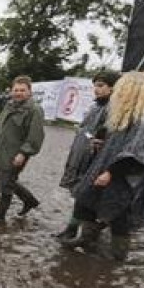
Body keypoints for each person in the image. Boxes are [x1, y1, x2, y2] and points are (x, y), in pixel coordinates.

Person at [62, 71, 144, 261]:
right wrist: (101, 143)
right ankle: (86, 239)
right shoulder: (126, 113)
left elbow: (141, 150)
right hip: (107, 166)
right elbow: (116, 139)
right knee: (86, 198)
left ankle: (118, 255)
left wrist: (112, 172)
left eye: (121, 89)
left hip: (125, 174)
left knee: (119, 212)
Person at [57, 70, 120, 239]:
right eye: (95, 86)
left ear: (113, 87)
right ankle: (72, 229)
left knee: (89, 199)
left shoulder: (114, 109)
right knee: (80, 196)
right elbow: (85, 129)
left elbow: (111, 138)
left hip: (96, 162)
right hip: (82, 158)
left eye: (101, 85)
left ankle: (89, 236)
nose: (96, 89)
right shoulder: (96, 106)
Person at [0, 75, 44, 221]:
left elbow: (35, 136)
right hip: (1, 152)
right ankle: (29, 200)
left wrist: (23, 153)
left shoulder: (34, 110)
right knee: (0, 181)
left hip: (16, 154)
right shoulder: (9, 105)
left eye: (22, 90)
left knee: (6, 184)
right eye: (16, 90)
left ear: (29, 92)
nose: (18, 93)